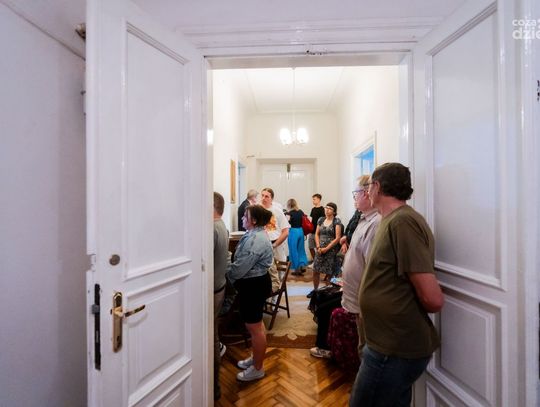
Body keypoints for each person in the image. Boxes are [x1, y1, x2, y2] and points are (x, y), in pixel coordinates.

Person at [349, 163, 444, 407]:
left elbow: (433, 299)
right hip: (384, 342)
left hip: (393, 347)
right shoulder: (389, 220)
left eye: (369, 187)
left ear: (377, 186)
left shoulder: (403, 222)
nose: (366, 192)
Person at [310, 176, 380, 360]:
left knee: (366, 351)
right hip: (352, 292)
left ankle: (328, 348)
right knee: (321, 298)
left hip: (361, 298)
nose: (354, 198)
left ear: (367, 193)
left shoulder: (376, 223)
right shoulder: (363, 219)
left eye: (356, 193)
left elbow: (372, 267)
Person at [228, 205, 274, 382]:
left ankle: (258, 368)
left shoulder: (256, 239)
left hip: (254, 285)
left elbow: (239, 269)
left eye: (245, 216)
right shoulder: (254, 233)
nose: (242, 218)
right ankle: (256, 358)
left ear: (253, 220)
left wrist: (227, 273)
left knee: (255, 329)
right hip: (255, 283)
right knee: (257, 326)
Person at [212, 192, 229, 400]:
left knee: (211, 337)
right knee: (213, 333)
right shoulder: (221, 226)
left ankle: (213, 385)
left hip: (214, 289)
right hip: (219, 286)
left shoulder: (212, 228)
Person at [308, 202, 342, 298]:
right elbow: (317, 234)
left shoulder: (336, 221)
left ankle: (327, 293)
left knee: (329, 273)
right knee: (316, 270)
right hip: (320, 249)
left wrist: (326, 248)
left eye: (330, 208)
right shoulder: (321, 219)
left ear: (334, 212)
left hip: (331, 250)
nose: (327, 210)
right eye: (326, 207)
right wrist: (318, 247)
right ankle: (315, 291)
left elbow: (337, 238)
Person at [260, 188, 290, 263]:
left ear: (271, 199)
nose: (263, 198)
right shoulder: (257, 210)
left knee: (279, 266)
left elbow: (286, 232)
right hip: (261, 244)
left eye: (266, 196)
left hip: (276, 243)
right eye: (262, 195)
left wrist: (274, 245)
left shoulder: (277, 211)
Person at [285, 198, 308, 276]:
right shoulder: (301, 211)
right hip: (301, 231)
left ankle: (296, 268)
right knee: (301, 249)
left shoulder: (289, 213)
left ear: (288, 205)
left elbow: (286, 223)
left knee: (293, 250)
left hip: (293, 231)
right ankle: (302, 264)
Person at [308, 194, 325, 262]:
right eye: (313, 199)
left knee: (319, 248)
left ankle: (320, 262)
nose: (313, 201)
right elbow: (311, 220)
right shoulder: (313, 209)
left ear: (319, 199)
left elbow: (323, 221)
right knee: (310, 247)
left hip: (319, 233)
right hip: (312, 232)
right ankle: (315, 261)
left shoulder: (322, 209)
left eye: (314, 199)